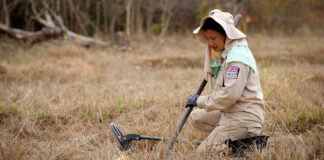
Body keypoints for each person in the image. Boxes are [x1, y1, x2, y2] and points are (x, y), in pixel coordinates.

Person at [185, 9, 265, 153]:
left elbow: (228, 95)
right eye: (207, 38)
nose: (210, 43)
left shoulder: (237, 57)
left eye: (213, 38)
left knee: (202, 153)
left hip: (244, 118)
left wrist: (199, 100)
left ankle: (244, 146)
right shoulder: (229, 52)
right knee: (196, 117)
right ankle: (226, 141)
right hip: (230, 113)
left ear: (226, 35)